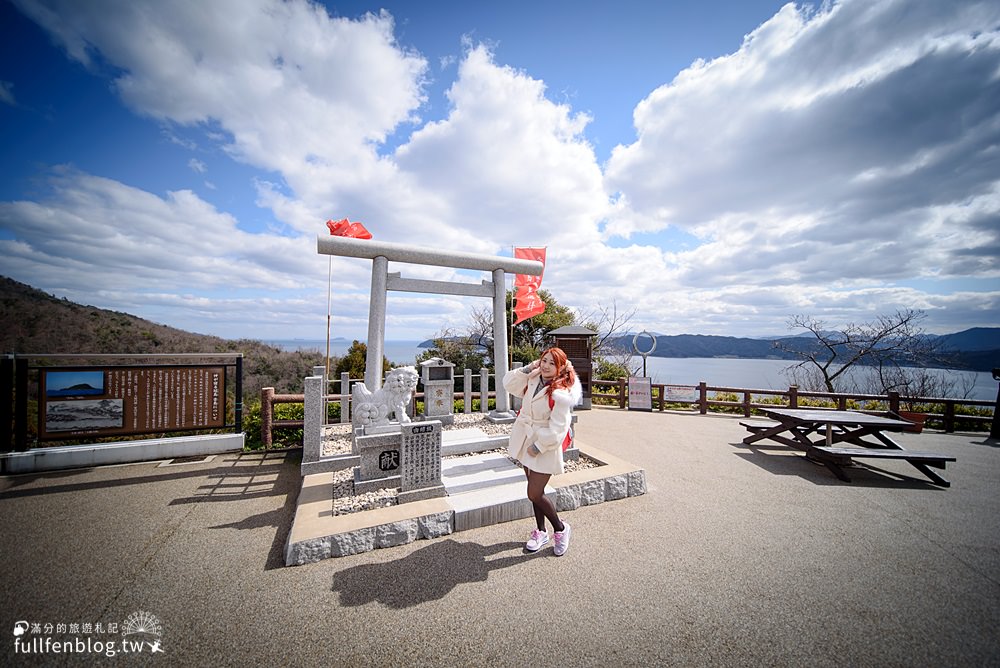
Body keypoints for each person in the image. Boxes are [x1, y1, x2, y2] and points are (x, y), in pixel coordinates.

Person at [502, 347, 582, 556]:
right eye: (544, 360)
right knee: (535, 492)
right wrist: (528, 368)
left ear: (561, 367)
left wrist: (538, 446)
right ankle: (540, 531)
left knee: (534, 492)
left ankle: (561, 528)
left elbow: (560, 426)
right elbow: (508, 384)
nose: (546, 366)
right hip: (525, 438)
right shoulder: (534, 377)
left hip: (543, 446)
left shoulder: (561, 392)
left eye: (552, 363)